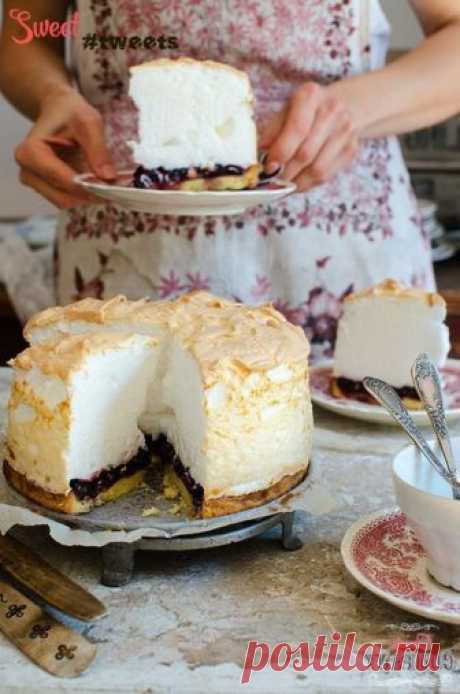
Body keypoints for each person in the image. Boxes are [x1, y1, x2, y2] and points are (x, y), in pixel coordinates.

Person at [1, 0, 460, 357]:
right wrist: (51, 95)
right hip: (122, 252)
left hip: (338, 256)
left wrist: (353, 109)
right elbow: (24, 36)